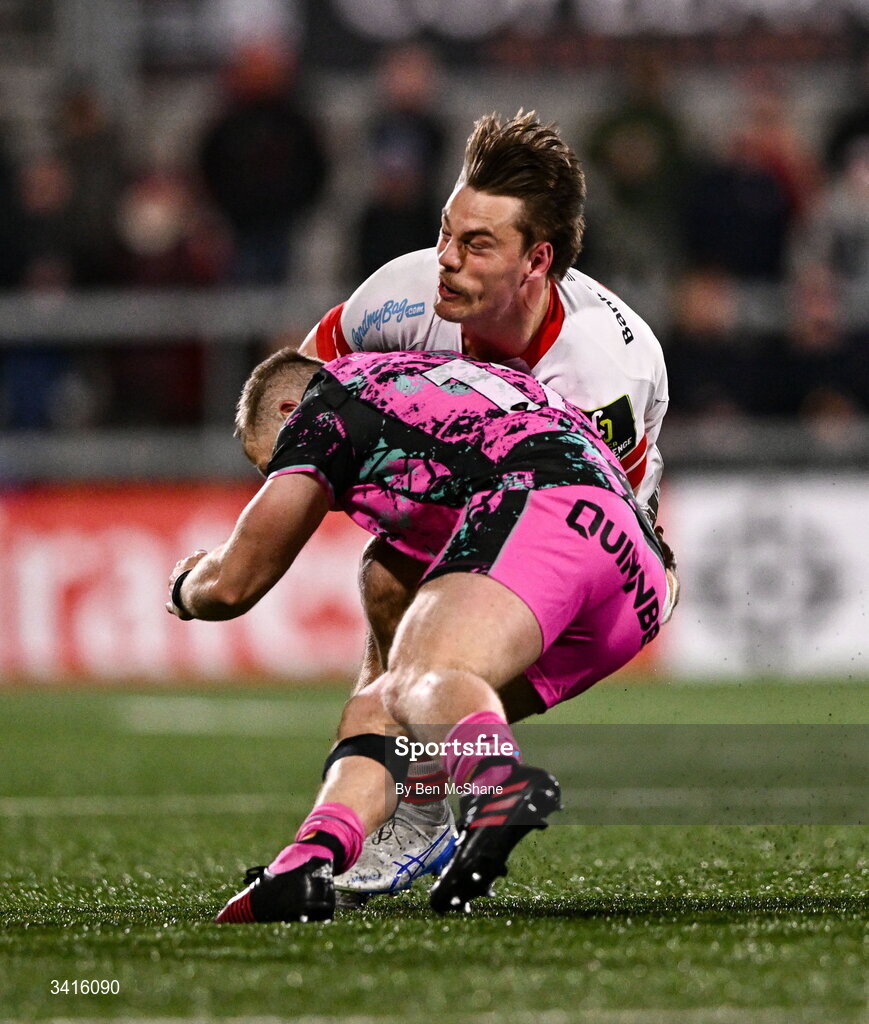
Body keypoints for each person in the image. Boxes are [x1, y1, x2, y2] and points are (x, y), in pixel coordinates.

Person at [295, 110, 673, 899]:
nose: (445, 262)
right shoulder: (402, 296)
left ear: (538, 261)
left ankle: (427, 805)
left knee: (420, 673)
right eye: (445, 231)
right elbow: (304, 385)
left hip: (596, 552)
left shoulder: (603, 373)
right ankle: (419, 806)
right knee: (391, 594)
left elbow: (594, 527)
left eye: (475, 245)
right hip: (475, 493)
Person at [166, 347, 672, 922]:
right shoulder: (439, 385)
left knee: (418, 677)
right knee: (386, 710)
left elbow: (235, 582)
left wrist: (185, 586)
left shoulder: (327, 399)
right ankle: (307, 863)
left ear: (290, 409)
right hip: (637, 578)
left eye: (274, 463)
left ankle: (498, 784)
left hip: (546, 507)